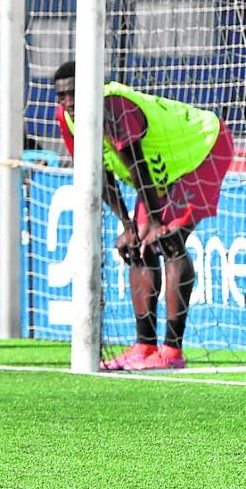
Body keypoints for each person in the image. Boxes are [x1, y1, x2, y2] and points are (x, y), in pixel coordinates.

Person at [52, 61, 234, 370]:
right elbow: (94, 172)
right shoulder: (67, 119)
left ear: (92, 88)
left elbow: (137, 166)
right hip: (161, 170)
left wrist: (155, 222)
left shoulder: (116, 107)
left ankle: (172, 352)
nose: (68, 103)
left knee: (169, 240)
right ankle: (144, 347)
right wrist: (128, 226)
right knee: (137, 245)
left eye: (74, 94)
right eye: (61, 96)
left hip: (202, 150)